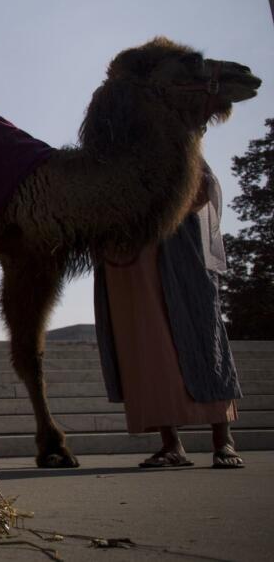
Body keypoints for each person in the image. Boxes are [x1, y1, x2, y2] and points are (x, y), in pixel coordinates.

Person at [94, 164, 244, 469]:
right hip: (130, 253)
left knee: (204, 335)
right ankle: (171, 444)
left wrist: (158, 200)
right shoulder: (105, 147)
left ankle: (223, 439)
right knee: (148, 345)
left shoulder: (169, 135)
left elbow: (201, 186)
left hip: (179, 243)